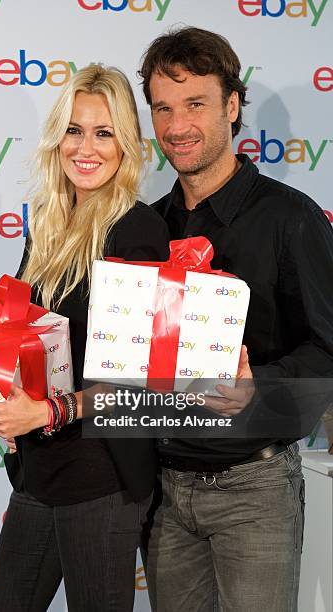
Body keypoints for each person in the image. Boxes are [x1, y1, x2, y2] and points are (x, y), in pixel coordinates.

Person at [0, 64, 169, 612]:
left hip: (100, 479)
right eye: (74, 129)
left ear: (126, 146)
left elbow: (138, 379)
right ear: (56, 137)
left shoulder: (135, 231)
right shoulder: (47, 223)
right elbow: (26, 341)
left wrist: (43, 415)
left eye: (104, 132)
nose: (85, 147)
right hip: (39, 473)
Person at [138, 26, 333, 612]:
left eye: (195, 104)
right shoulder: (144, 228)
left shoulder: (292, 219)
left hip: (257, 490)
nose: (176, 127)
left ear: (231, 105)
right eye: (162, 108)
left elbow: (328, 351)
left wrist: (256, 389)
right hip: (164, 490)